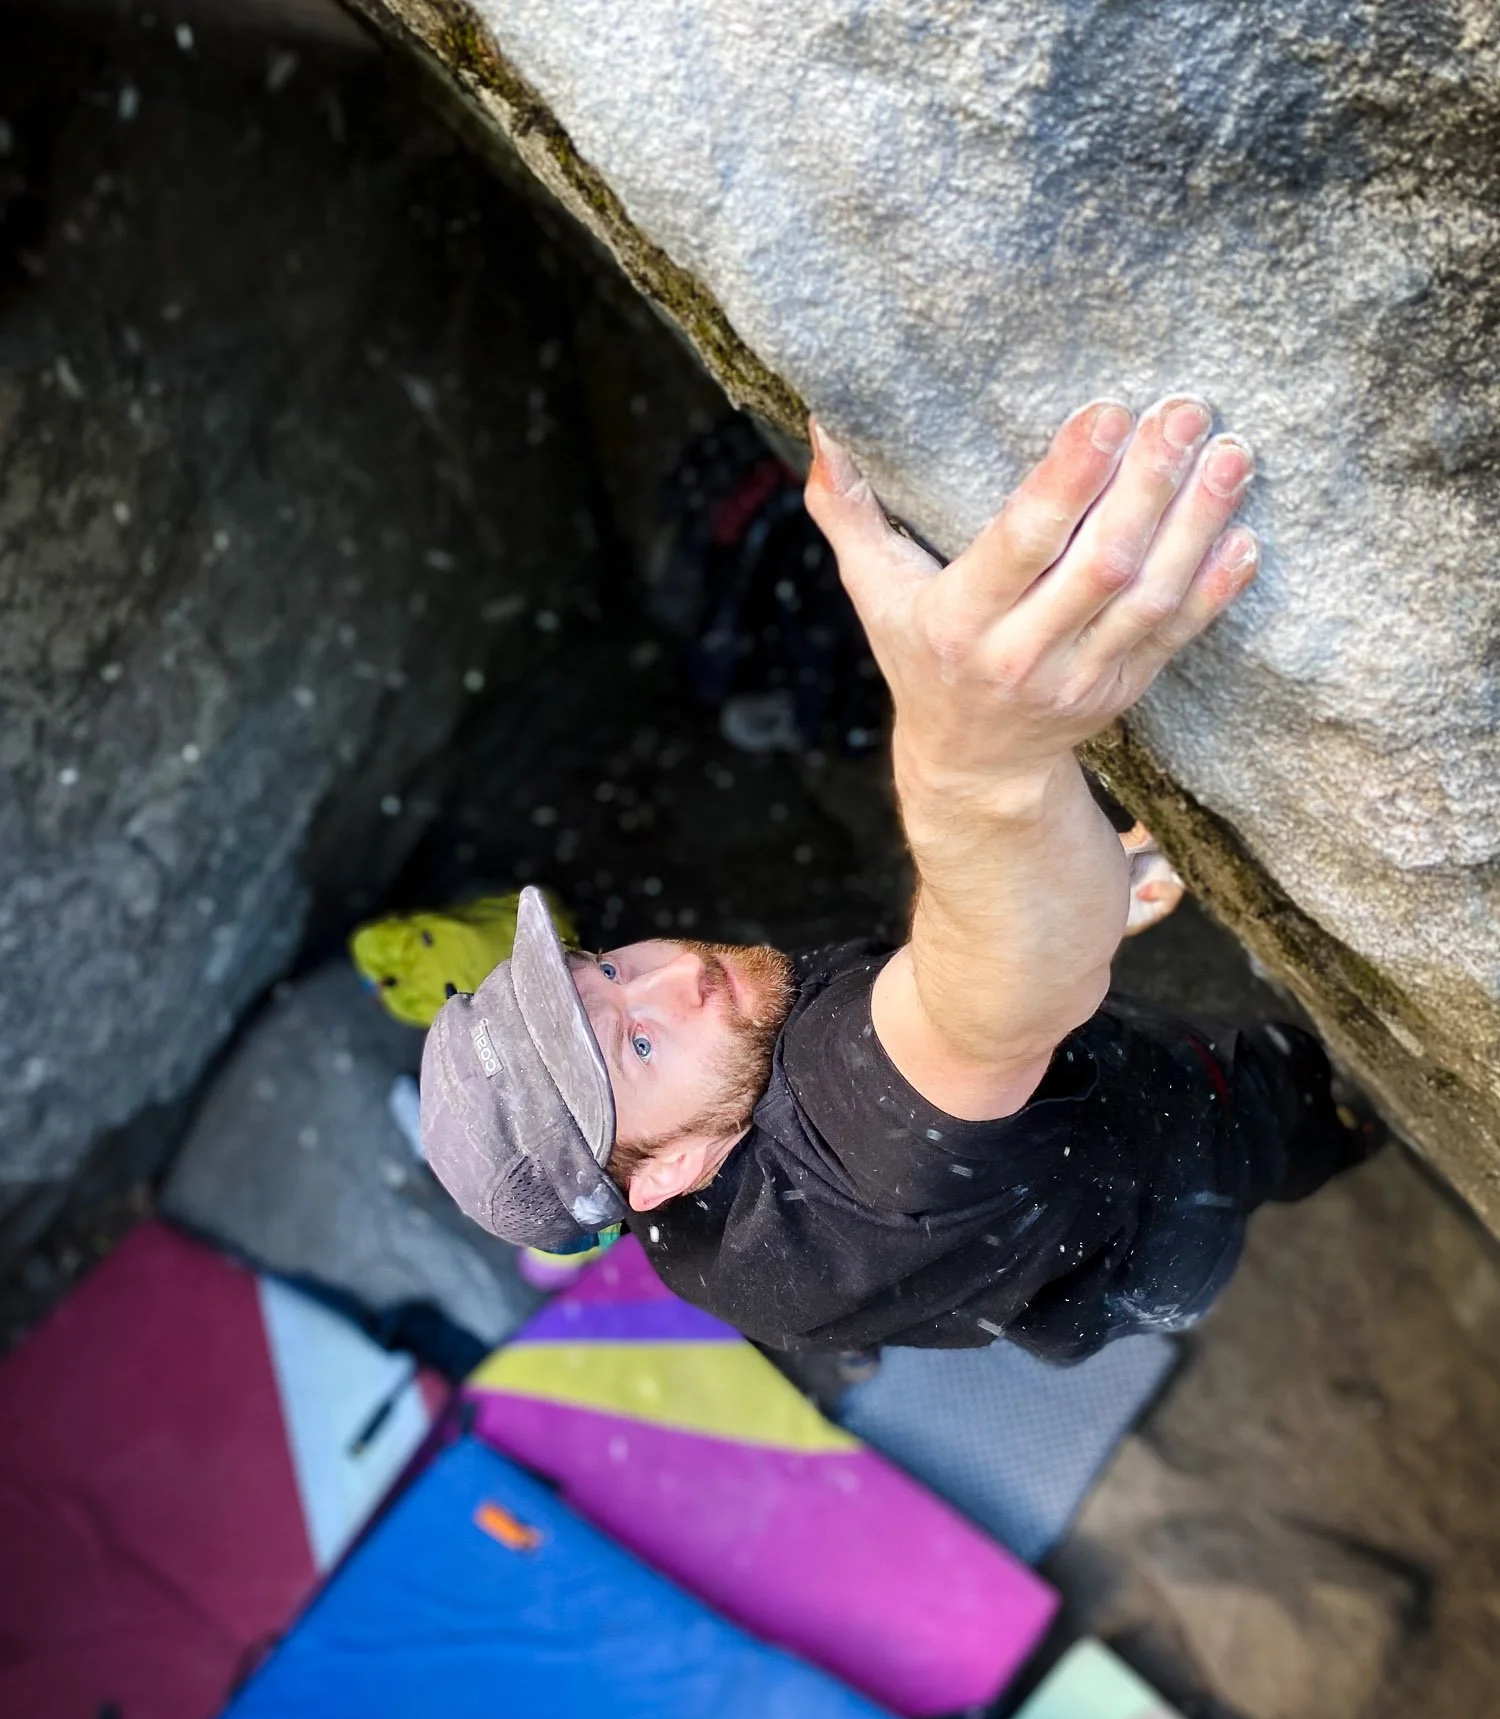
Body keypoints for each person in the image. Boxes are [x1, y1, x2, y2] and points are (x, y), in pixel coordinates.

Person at [421, 398, 1379, 1365]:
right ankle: (1337, 1118)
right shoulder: (848, 1162)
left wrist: (1034, 895)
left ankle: (1313, 1129)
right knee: (1277, 1094)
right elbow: (971, 1023)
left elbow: (955, 1015)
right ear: (672, 1171)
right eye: (635, 1044)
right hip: (1164, 1193)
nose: (675, 979)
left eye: (610, 972)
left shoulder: (686, 1213)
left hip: (1059, 1271)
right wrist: (978, 765)